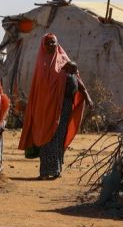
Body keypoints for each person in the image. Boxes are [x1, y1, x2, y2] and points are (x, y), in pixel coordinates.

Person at [18, 33, 93, 180]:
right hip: (46, 108)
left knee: (59, 137)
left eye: (53, 43)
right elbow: (40, 90)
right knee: (48, 136)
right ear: (43, 45)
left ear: (57, 43)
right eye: (48, 43)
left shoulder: (64, 59)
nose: (51, 45)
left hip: (64, 107)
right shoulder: (42, 64)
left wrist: (87, 97)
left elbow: (77, 80)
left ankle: (57, 170)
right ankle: (45, 171)